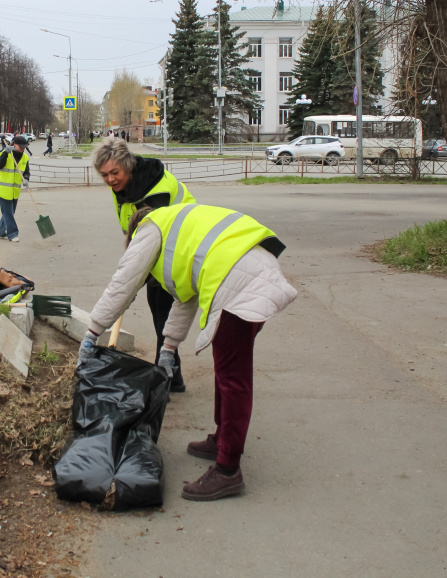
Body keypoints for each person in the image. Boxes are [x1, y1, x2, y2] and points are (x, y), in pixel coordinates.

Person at [78, 203, 297, 502]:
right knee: (227, 371)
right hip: (249, 268)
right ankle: (222, 440)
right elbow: (186, 295)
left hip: (240, 281)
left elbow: (123, 284)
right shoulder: (176, 233)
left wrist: (92, 332)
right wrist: (169, 346)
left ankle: (228, 470)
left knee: (234, 378)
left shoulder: (149, 230)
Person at [92, 138, 196, 391]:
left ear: (128, 165)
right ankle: (173, 376)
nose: (110, 180)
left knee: (164, 317)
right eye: (104, 175)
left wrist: (134, 272)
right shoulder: (126, 184)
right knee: (161, 316)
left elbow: (155, 242)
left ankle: (168, 379)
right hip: (156, 248)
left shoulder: (155, 193)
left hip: (178, 252)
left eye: (115, 173)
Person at [0, 135, 30, 243]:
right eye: (21, 146)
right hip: (4, 190)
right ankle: (12, 234)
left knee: (9, 212)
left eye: (25, 146)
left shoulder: (25, 157)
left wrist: (26, 179)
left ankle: (0, 231)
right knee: (8, 213)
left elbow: (27, 171)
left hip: (15, 191)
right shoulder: (6, 154)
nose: (23, 149)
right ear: (14, 145)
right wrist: (5, 153)